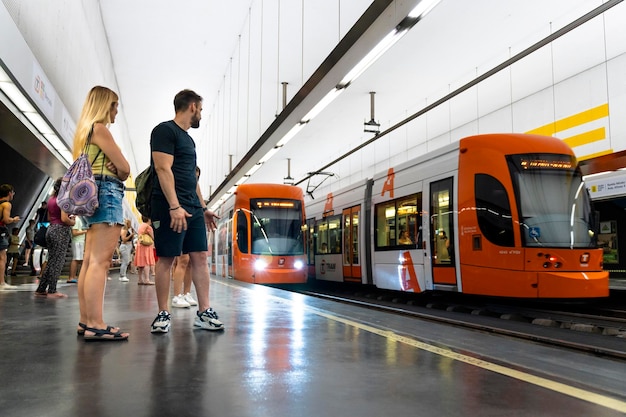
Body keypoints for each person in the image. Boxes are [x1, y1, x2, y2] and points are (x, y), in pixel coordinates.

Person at [149, 89, 223, 333]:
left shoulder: (188, 139)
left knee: (200, 257)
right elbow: (162, 169)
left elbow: (192, 178)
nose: (200, 114)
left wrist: (203, 208)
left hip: (191, 207)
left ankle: (204, 312)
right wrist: (174, 205)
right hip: (169, 206)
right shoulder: (164, 131)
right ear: (192, 106)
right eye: (200, 109)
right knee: (167, 258)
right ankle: (162, 314)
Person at [74, 86, 130, 341]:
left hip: (90, 193)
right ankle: (96, 324)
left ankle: (86, 321)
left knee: (90, 261)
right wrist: (119, 170)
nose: (116, 110)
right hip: (106, 191)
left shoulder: (85, 132)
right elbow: (125, 168)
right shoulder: (100, 129)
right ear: (105, 105)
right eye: (114, 104)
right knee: (100, 262)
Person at [35, 178, 75, 298]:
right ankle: (52, 290)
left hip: (51, 229)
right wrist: (72, 221)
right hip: (61, 231)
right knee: (57, 262)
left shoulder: (51, 199)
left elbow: (48, 218)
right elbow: (64, 218)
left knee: (52, 260)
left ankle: (41, 289)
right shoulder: (63, 199)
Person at [0, 184, 20, 289]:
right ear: (9, 193)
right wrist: (14, 219)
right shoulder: (6, 204)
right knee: (2, 257)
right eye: (13, 193)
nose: (13, 195)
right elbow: (6, 220)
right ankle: (2, 283)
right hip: (0, 231)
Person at [135, 216, 155, 285]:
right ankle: (147, 279)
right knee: (147, 262)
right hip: (146, 246)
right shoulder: (148, 227)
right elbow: (153, 237)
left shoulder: (141, 226)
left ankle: (140, 279)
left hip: (140, 245)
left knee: (141, 263)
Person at [68, 215, 87, 283]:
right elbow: (74, 232)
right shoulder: (76, 219)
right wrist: (85, 231)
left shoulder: (80, 219)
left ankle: (78, 276)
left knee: (80, 260)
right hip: (77, 242)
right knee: (76, 259)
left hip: (80, 241)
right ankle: (71, 277)